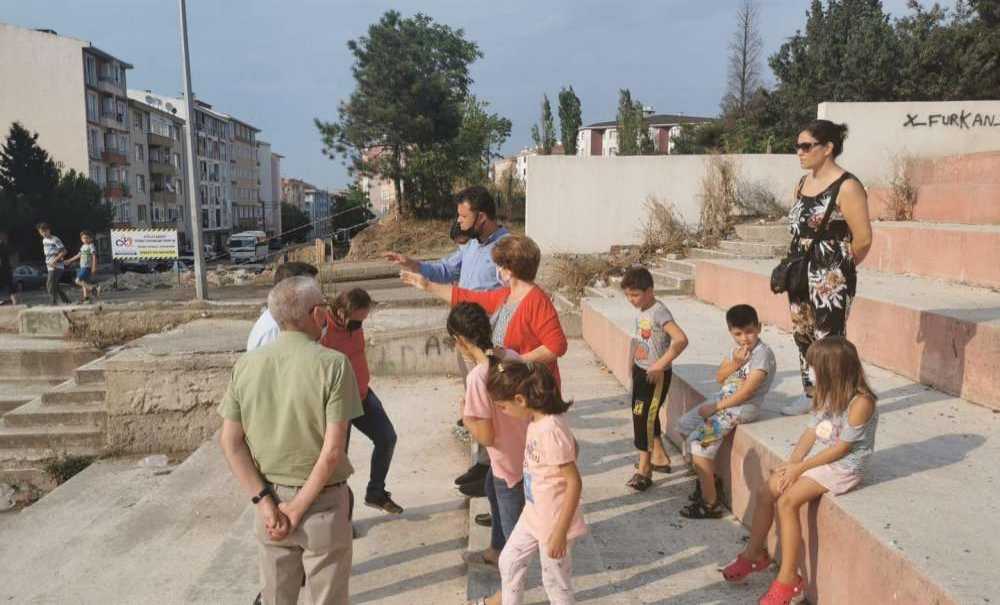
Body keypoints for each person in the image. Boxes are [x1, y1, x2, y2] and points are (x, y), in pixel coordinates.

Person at [219, 276, 363, 605]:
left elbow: (231, 443)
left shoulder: (246, 365)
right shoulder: (334, 365)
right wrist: (298, 507)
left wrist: (266, 503)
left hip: (270, 503)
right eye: (324, 308)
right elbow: (331, 453)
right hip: (322, 504)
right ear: (315, 314)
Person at [720, 337, 878, 605]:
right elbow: (810, 432)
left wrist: (801, 468)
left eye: (814, 366)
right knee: (766, 489)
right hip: (821, 461)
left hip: (844, 466)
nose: (810, 371)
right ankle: (754, 555)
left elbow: (841, 449)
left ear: (832, 370)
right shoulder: (828, 393)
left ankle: (788, 580)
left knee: (787, 503)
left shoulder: (861, 402)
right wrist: (792, 464)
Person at [386, 185, 510, 492]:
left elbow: (507, 297)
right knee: (477, 402)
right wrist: (412, 264)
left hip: (491, 342)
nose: (459, 220)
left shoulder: (507, 248)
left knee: (494, 405)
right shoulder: (470, 246)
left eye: (463, 214)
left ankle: (497, 468)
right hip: (467, 340)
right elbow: (443, 269)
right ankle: (483, 465)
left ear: (481, 217)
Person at [473, 360, 587, 605]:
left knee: (556, 585)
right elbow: (573, 447)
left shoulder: (550, 428)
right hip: (534, 513)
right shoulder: (538, 421)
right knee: (509, 561)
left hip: (554, 523)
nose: (502, 412)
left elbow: (574, 482)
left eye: (502, 407)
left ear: (520, 400)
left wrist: (559, 533)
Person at [782, 120, 873, 416]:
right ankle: (812, 393)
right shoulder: (802, 184)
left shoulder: (847, 186)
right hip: (799, 271)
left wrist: (838, 269)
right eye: (797, 146)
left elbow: (863, 239)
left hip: (830, 275)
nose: (799, 152)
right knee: (803, 333)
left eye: (806, 146)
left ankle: (835, 399)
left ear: (828, 148)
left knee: (829, 338)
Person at [401, 235, 568, 384]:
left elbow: (556, 347)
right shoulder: (506, 295)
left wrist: (516, 361)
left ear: (509, 270)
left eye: (499, 265)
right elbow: (467, 297)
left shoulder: (537, 301)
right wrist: (427, 285)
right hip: (514, 385)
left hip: (534, 389)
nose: (497, 269)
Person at [447, 302, 529, 569]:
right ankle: (496, 550)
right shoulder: (512, 358)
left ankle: (507, 581)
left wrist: (466, 416)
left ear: (459, 340)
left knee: (514, 535)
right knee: (489, 489)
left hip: (508, 463)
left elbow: (485, 436)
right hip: (524, 453)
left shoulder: (478, 377)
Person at [675, 304, 776, 519]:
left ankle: (710, 503)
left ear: (759, 328)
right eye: (738, 334)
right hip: (723, 400)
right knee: (684, 425)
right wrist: (735, 364)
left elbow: (748, 391)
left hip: (740, 408)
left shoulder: (762, 355)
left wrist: (715, 407)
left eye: (749, 331)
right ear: (730, 332)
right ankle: (709, 481)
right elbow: (720, 377)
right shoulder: (737, 351)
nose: (744, 338)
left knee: (699, 446)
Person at [321, 288, 403, 514]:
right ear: (340, 312)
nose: (359, 326)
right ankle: (342, 519)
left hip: (363, 395)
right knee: (338, 463)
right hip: (338, 405)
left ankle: (376, 492)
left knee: (387, 438)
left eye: (363, 321)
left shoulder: (354, 325)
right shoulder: (323, 330)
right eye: (357, 321)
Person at [619, 267, 689, 492]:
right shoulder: (642, 309)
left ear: (650, 290)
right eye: (628, 295)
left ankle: (644, 469)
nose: (631, 300)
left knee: (644, 418)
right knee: (640, 414)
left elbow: (681, 340)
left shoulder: (659, 311)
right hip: (641, 371)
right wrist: (630, 364)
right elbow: (638, 339)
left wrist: (659, 365)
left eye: (636, 294)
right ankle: (658, 457)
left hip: (656, 376)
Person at [246, 262, 319, 351]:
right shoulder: (274, 330)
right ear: (292, 291)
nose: (317, 293)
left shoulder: (289, 321)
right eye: (311, 289)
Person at [37, 223, 70, 305]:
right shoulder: (44, 240)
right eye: (41, 232)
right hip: (49, 266)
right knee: (55, 285)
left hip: (57, 266)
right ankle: (67, 301)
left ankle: (53, 302)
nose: (43, 234)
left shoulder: (55, 239)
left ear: (49, 230)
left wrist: (55, 260)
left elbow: (64, 251)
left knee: (50, 284)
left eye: (45, 231)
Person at [64, 231, 98, 303]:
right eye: (83, 238)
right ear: (81, 239)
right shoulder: (83, 246)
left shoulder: (91, 246)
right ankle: (86, 298)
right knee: (84, 282)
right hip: (82, 267)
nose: (85, 239)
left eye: (87, 238)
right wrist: (69, 260)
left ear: (91, 239)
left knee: (77, 280)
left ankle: (92, 288)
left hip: (87, 267)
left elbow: (94, 256)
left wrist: (94, 267)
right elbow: (78, 255)